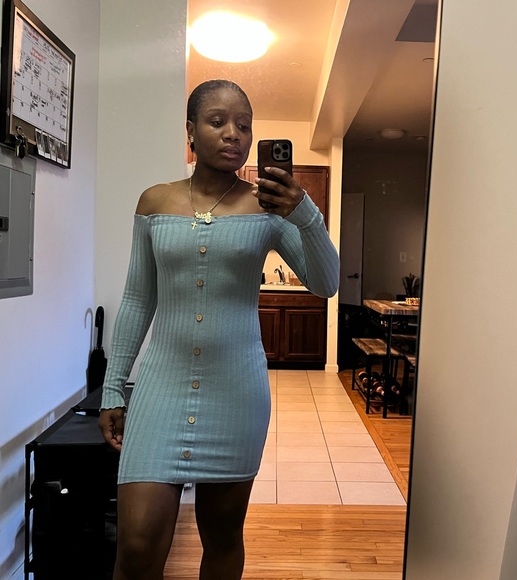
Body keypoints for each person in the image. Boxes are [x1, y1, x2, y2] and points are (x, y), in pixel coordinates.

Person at [98, 79, 339, 580]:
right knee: (137, 545)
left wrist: (305, 212)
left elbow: (327, 282)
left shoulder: (268, 208)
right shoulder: (154, 201)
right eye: (217, 122)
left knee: (223, 536)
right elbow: (138, 298)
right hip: (160, 388)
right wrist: (113, 387)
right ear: (190, 130)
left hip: (237, 393)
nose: (234, 134)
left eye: (244, 126)